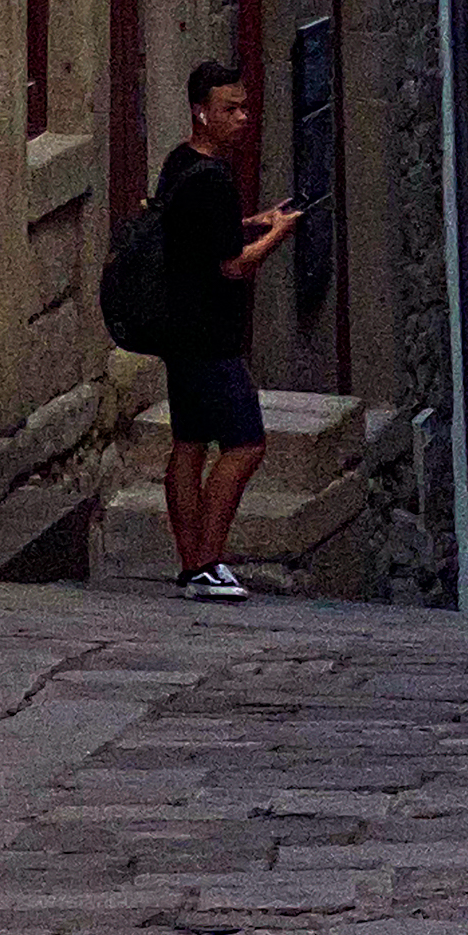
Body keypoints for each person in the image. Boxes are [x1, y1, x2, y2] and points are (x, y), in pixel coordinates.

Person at [153, 56, 298, 598]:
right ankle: (206, 563)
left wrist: (250, 220)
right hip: (209, 334)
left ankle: (192, 563)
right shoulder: (213, 177)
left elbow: (195, 232)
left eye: (245, 107)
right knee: (245, 445)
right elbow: (232, 264)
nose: (243, 118)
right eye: (229, 109)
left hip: (178, 329)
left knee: (189, 443)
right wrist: (278, 232)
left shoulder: (179, 163)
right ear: (201, 114)